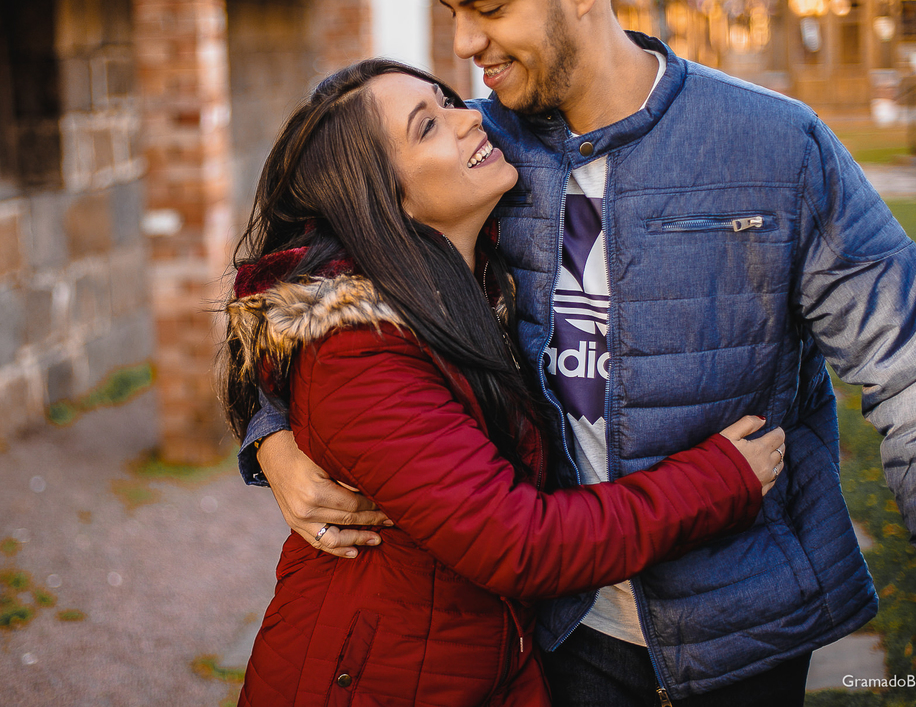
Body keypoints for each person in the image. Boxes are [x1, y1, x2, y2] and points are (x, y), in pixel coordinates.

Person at [241, 0, 916, 705]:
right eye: (454, 11)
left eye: (490, 9)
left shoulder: (774, 146)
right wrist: (270, 429)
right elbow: (309, 285)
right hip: (562, 637)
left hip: (748, 634)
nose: (462, 45)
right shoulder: (472, 161)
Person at [226, 59, 786, 706]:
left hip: (472, 661)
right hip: (372, 682)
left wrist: (272, 435)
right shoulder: (361, 352)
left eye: (447, 99)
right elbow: (520, 542)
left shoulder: (467, 280)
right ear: (385, 200)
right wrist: (717, 481)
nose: (472, 117)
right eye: (429, 125)